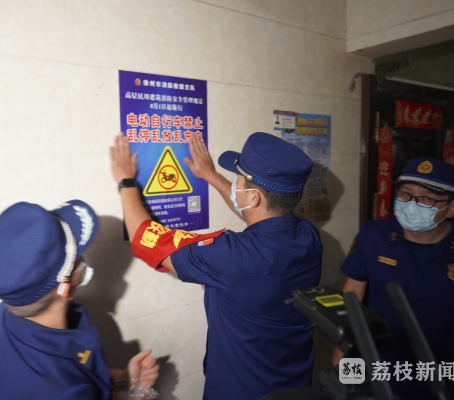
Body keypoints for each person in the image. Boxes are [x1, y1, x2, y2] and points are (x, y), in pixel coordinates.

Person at [110, 132, 322, 400]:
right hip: (297, 386)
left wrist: (125, 180)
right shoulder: (308, 237)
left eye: (238, 179)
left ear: (253, 197)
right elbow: (261, 218)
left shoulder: (231, 256)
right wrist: (211, 176)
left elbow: (144, 238)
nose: (235, 184)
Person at [0, 200, 159, 400]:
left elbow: (73, 359)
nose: (83, 258)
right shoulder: (60, 392)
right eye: (77, 256)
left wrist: (124, 377)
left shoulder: (6, 316)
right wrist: (138, 396)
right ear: (65, 288)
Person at [333, 157, 454, 400]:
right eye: (405, 194)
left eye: (426, 199)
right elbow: (351, 297)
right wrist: (341, 363)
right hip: (380, 365)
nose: (412, 204)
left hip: (442, 373)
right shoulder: (374, 235)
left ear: (452, 208)